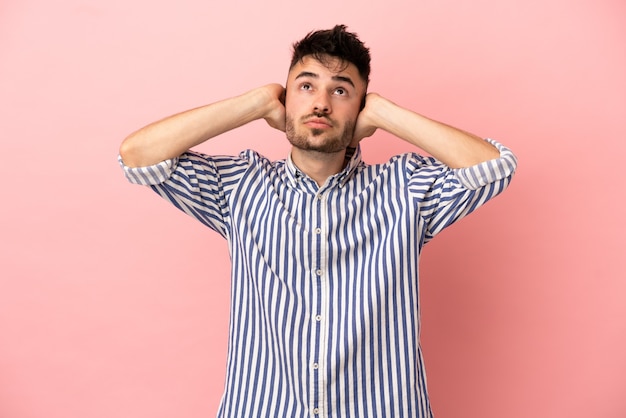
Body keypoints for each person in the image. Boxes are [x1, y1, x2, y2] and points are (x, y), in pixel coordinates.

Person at [119, 24, 517, 418]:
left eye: (341, 90)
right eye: (305, 86)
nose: (321, 103)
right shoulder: (239, 186)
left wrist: (385, 113)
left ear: (360, 107)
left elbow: (495, 167)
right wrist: (255, 102)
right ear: (286, 97)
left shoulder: (406, 189)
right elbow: (138, 157)